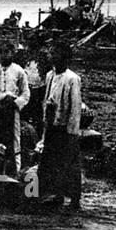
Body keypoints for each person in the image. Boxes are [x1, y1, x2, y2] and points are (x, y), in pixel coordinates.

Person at [39, 44, 83, 211]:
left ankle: (74, 199)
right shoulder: (50, 75)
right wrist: (45, 121)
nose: (52, 57)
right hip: (52, 125)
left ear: (65, 58)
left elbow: (75, 107)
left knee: (70, 163)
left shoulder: (72, 79)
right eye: (52, 54)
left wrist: (72, 132)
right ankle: (56, 195)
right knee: (52, 161)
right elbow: (46, 99)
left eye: (56, 54)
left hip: (65, 128)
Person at [0, 45, 31, 175]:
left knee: (14, 139)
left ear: (12, 53)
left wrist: (15, 103)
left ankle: (14, 171)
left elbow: (25, 93)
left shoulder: (19, 71)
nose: (4, 55)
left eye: (7, 52)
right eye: (1, 52)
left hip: (11, 109)